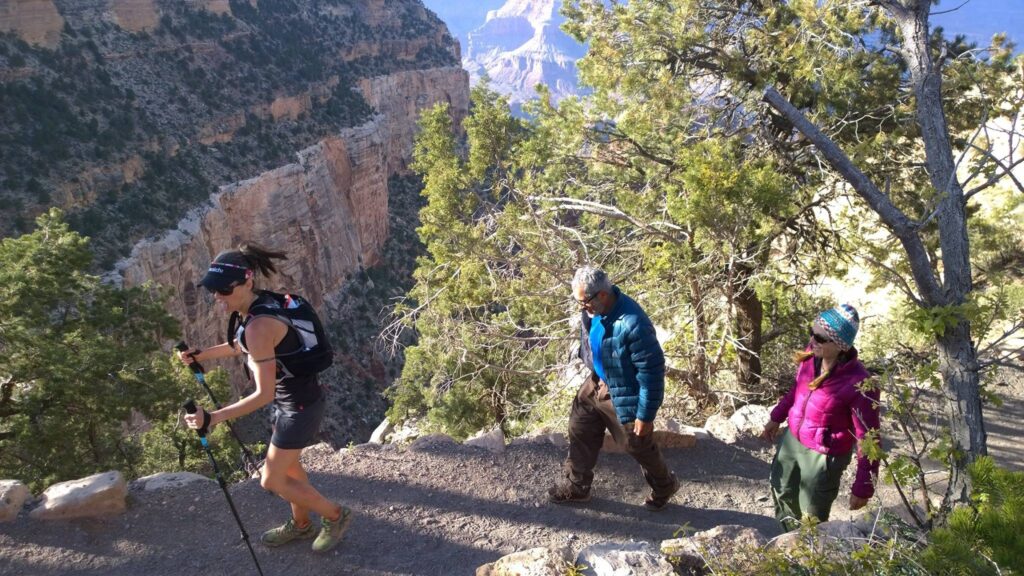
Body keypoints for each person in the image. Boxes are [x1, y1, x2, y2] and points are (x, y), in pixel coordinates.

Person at [179, 243, 351, 553]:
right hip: (296, 400)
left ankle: (335, 515)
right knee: (290, 469)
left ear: (246, 282)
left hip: (297, 409)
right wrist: (203, 354)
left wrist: (213, 418)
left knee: (271, 480)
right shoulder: (262, 304)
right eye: (213, 290)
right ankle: (301, 525)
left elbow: (262, 394)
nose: (217, 296)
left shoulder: (258, 325)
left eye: (223, 290)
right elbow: (242, 345)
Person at [548, 266, 680, 510]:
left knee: (637, 444)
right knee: (580, 428)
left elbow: (651, 372)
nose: (581, 308)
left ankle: (665, 484)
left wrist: (645, 415)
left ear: (602, 295)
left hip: (624, 390)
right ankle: (577, 487)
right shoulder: (592, 311)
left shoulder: (633, 324)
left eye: (584, 302)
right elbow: (588, 339)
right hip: (598, 380)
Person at [761, 304, 880, 530]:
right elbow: (797, 391)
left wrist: (864, 486)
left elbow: (869, 438)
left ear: (840, 345)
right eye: (812, 332)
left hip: (824, 455)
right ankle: (787, 546)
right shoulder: (811, 357)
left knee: (811, 514)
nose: (812, 340)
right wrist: (777, 417)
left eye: (820, 337)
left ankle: (807, 557)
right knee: (781, 491)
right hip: (793, 438)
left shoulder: (860, 384)